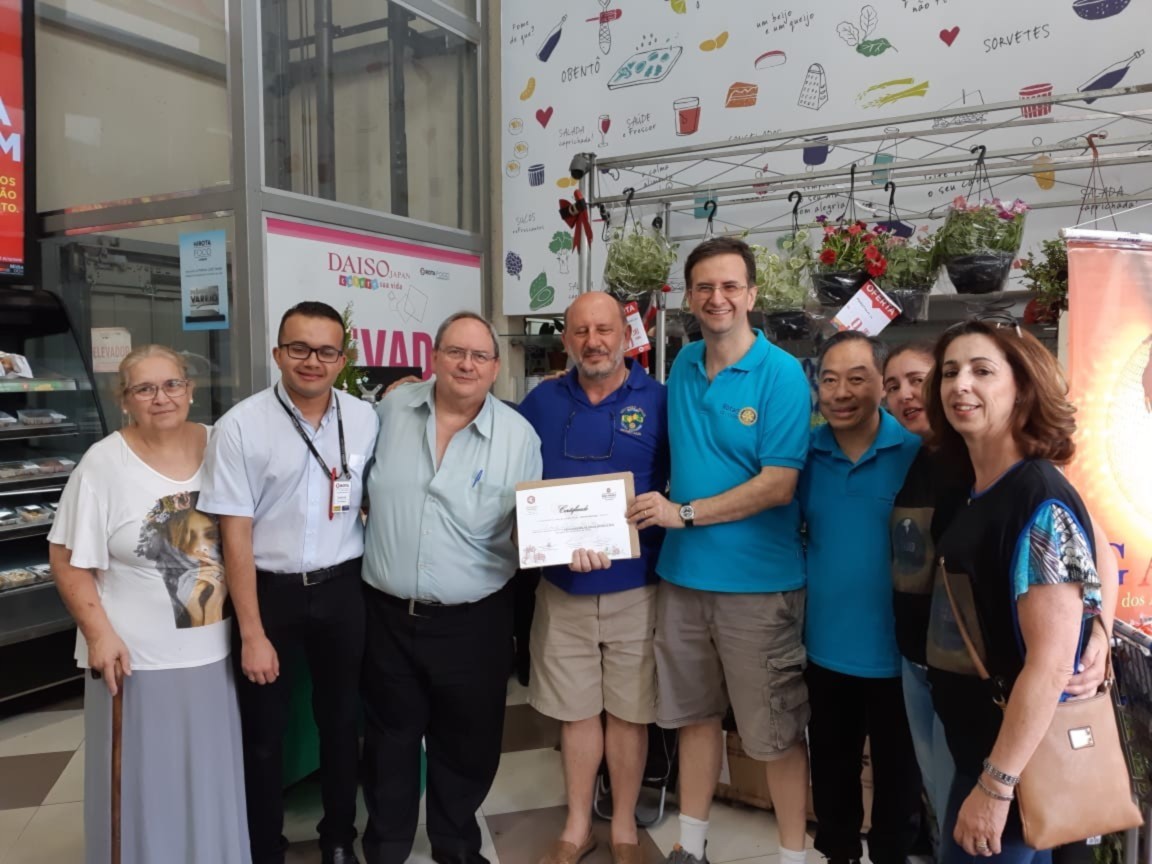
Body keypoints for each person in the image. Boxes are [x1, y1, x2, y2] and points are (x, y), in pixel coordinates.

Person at [884, 338, 1117, 864]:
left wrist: (995, 787)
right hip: (980, 745)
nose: (960, 385)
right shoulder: (980, 480)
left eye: (982, 371)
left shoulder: (1035, 495)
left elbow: (1051, 664)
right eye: (950, 372)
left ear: (1021, 390)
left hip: (1013, 762)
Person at [626, 236, 813, 864]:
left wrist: (682, 513)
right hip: (682, 581)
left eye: (731, 285)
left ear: (752, 295)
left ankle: (792, 857)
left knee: (775, 734)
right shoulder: (682, 364)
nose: (718, 297)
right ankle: (692, 845)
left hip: (758, 589)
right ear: (688, 297)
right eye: (705, 286)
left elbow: (778, 484)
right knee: (694, 718)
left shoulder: (781, 375)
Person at [48, 345, 250, 864]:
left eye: (172, 384)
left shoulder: (220, 444)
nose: (162, 398)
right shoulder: (103, 464)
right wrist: (98, 634)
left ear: (190, 389)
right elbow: (66, 558)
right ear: (125, 400)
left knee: (207, 781)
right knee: (144, 788)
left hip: (214, 656)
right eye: (145, 389)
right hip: (135, 662)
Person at [359, 311, 542, 864]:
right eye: (455, 352)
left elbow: (529, 526)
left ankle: (456, 845)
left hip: (475, 621)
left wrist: (571, 541)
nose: (467, 364)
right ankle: (386, 848)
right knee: (388, 741)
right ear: (434, 358)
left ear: (495, 367)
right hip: (387, 615)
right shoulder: (388, 413)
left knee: (468, 742)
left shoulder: (518, 437)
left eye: (479, 356)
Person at [200, 301, 379, 864]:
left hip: (343, 588)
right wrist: (252, 632)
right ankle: (264, 847)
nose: (312, 361)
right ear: (278, 353)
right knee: (263, 731)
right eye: (299, 348)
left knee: (341, 722)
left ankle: (338, 839)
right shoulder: (240, 426)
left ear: (342, 359)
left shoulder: (365, 418)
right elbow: (234, 536)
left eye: (326, 351)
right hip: (268, 592)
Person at [518, 292, 670, 864]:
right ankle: (578, 824)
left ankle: (624, 825)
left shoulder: (659, 401)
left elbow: (679, 483)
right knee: (576, 712)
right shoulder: (540, 402)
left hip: (639, 587)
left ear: (625, 336)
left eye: (604, 329)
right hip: (563, 589)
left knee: (631, 712)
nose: (593, 341)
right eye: (580, 331)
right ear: (566, 340)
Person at [799, 332, 923, 864]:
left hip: (901, 655)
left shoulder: (917, 453)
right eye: (829, 380)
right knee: (832, 773)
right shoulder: (805, 455)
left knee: (899, 781)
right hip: (825, 648)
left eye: (857, 378)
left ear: (881, 385)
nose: (841, 392)